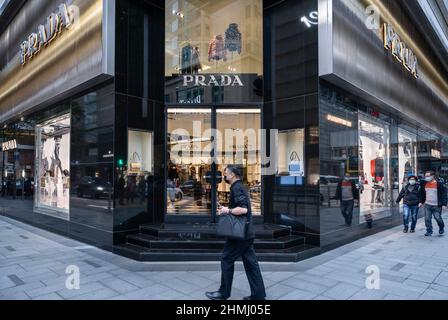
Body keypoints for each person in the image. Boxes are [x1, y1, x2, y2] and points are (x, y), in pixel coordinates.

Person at [206, 165, 266, 301]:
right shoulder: (240, 186)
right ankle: (258, 295)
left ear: (233, 174)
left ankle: (223, 293)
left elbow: (243, 209)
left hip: (240, 235)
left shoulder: (237, 187)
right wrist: (227, 208)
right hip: (247, 233)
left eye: (226, 173)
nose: (224, 176)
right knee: (251, 264)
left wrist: (228, 210)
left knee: (226, 259)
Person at [419, 171, 447, 236]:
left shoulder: (439, 184)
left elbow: (444, 194)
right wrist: (421, 202)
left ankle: (441, 227)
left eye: (428, 176)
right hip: (427, 205)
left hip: (437, 206)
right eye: (425, 176)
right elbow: (422, 194)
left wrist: (444, 204)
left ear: (433, 176)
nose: (426, 177)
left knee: (438, 218)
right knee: (427, 219)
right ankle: (429, 231)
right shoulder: (424, 184)